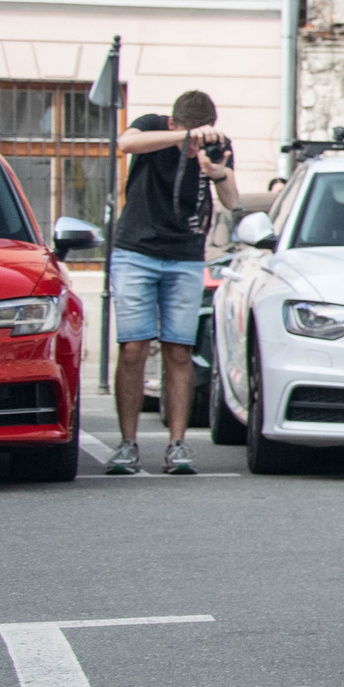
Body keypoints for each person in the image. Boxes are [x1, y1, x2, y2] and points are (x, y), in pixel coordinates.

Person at [105, 90, 237, 474]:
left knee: (179, 351)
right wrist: (180, 140)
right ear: (173, 123)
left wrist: (217, 172)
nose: (194, 139)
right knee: (133, 348)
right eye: (187, 131)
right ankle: (128, 444)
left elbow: (230, 200)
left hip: (184, 258)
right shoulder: (152, 126)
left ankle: (177, 446)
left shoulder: (217, 145)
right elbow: (125, 142)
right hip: (136, 252)